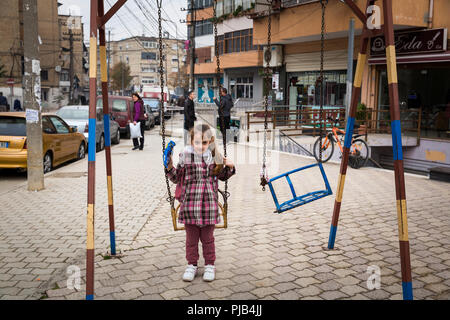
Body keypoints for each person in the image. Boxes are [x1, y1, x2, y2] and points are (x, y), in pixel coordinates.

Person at [166, 124, 236, 282]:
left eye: (204, 143)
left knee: (208, 239)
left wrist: (230, 167)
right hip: (189, 206)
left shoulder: (215, 158)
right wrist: (169, 165)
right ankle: (192, 265)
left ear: (210, 142)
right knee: (191, 240)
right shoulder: (185, 158)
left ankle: (210, 265)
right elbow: (176, 178)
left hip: (208, 207)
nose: (200, 146)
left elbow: (223, 176)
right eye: (196, 143)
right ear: (191, 142)